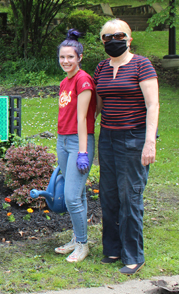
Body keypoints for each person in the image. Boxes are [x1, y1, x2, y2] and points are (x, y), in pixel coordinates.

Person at [94, 19, 159, 275]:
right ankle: (112, 248)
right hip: (107, 137)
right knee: (108, 195)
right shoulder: (101, 67)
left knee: (129, 196)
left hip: (134, 138)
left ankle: (134, 255)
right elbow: (98, 106)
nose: (113, 41)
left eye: (118, 35)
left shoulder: (141, 64)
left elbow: (152, 105)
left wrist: (149, 142)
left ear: (129, 38)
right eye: (106, 37)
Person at [53, 29, 97, 263]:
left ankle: (82, 245)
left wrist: (82, 151)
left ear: (79, 57)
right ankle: (77, 238)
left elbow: (83, 118)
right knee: (77, 196)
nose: (66, 61)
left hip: (79, 142)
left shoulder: (83, 80)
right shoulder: (64, 82)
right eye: (62, 57)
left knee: (71, 196)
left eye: (70, 57)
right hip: (63, 140)